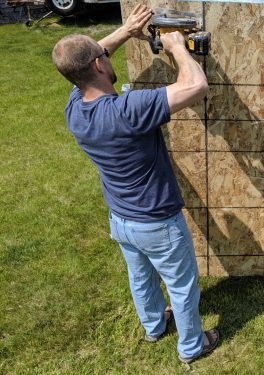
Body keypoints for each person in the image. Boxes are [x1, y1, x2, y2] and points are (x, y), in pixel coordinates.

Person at [51, 4, 219, 364]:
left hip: (121, 220)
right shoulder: (129, 110)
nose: (106, 53)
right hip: (158, 222)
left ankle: (154, 327)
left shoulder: (74, 107)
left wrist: (126, 31)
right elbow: (196, 85)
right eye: (102, 55)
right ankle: (192, 346)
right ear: (99, 65)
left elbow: (89, 56)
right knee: (182, 286)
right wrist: (176, 48)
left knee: (141, 278)